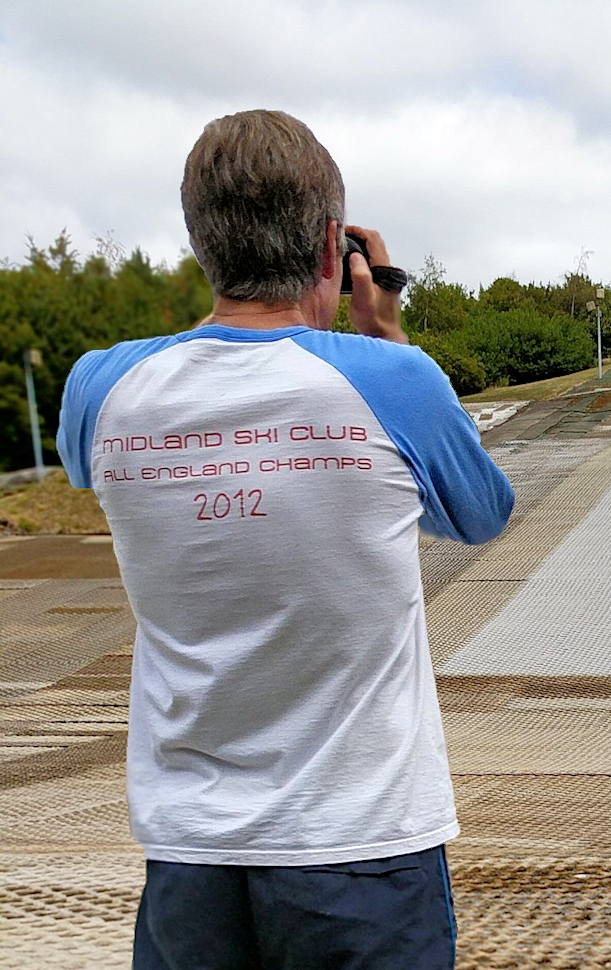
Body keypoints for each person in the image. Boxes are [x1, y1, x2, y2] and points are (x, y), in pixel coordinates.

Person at [57, 109, 514, 970]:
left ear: (201, 239)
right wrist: (387, 334)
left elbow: (90, 474)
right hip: (364, 843)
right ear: (337, 245)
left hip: (190, 854)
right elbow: (480, 513)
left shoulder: (98, 387)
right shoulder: (391, 379)